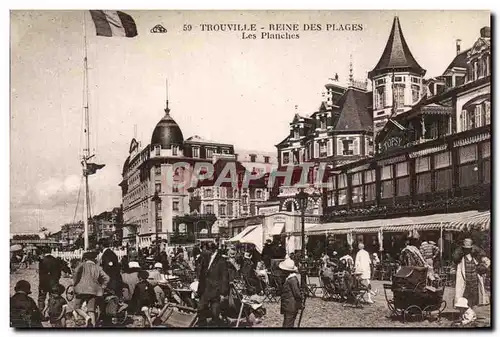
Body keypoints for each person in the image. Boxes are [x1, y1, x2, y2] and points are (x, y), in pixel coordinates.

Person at [73, 251, 110, 327]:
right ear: (94, 259)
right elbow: (107, 278)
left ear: (85, 259)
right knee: (91, 309)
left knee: (76, 307)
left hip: (81, 289)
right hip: (94, 290)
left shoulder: (82, 265)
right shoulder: (98, 267)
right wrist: (103, 286)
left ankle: (86, 317)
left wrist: (75, 282)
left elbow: (75, 272)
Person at [197, 242, 229, 326]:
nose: (203, 251)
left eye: (205, 250)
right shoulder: (206, 258)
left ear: (211, 250)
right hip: (205, 289)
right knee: (200, 309)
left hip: (216, 291)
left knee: (215, 313)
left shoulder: (221, 260)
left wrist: (223, 293)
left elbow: (224, 277)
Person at [454, 238, 490, 308]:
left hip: (474, 281)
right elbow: (455, 260)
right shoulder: (461, 258)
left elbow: (487, 262)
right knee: (464, 297)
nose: (467, 250)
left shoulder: (475, 257)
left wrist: (484, 267)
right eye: (465, 248)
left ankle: (470, 311)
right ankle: (464, 312)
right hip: (465, 281)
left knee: (473, 298)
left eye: (469, 248)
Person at [279, 258, 303, 328]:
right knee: (287, 324)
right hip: (288, 306)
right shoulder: (289, 279)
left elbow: (297, 294)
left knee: (287, 325)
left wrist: (300, 303)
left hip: (291, 306)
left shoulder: (292, 280)